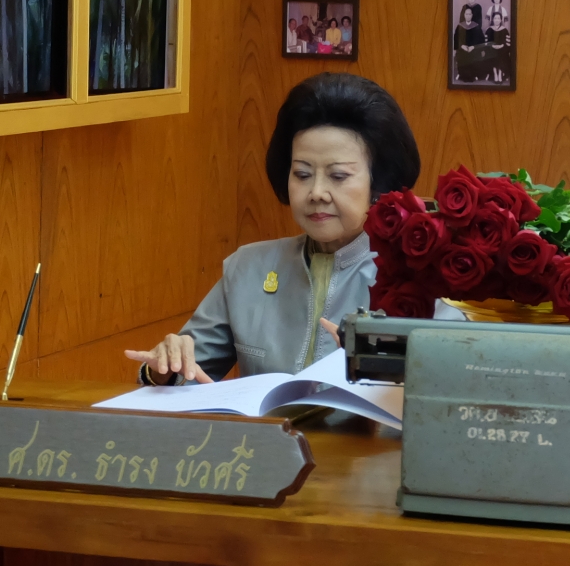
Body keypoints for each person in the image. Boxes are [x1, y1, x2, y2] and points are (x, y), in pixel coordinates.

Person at [129, 74, 421, 384]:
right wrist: (163, 367)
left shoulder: (414, 279)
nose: (316, 193)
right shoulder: (248, 268)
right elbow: (184, 375)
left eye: (338, 176)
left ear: (379, 183)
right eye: (302, 174)